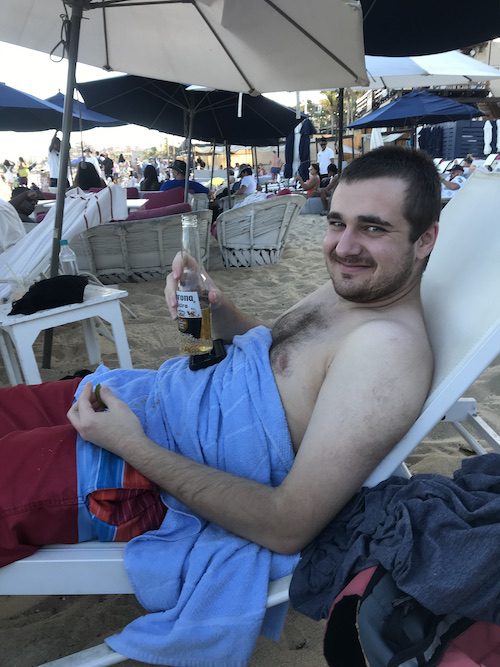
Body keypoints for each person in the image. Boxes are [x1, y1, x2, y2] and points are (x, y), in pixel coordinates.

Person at [0, 145, 440, 568]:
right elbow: (277, 358)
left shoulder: (387, 350)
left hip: (135, 475)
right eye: (336, 223)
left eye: (374, 228)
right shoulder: (355, 288)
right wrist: (219, 309)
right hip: (137, 398)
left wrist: (130, 444)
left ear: (425, 240)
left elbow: (288, 524)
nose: (344, 247)